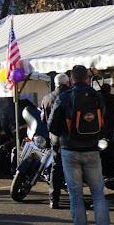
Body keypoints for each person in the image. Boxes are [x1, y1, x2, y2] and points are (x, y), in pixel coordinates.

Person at [48, 65, 114, 225]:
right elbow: (103, 120)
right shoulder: (97, 96)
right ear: (87, 79)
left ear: (71, 80)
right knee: (98, 195)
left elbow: (52, 125)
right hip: (92, 149)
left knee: (76, 196)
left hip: (69, 150)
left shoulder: (64, 97)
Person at [41, 73, 71, 209]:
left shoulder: (47, 98)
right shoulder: (72, 96)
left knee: (56, 167)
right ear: (67, 83)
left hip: (54, 137)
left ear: (55, 84)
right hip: (70, 137)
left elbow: (43, 119)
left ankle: (54, 198)